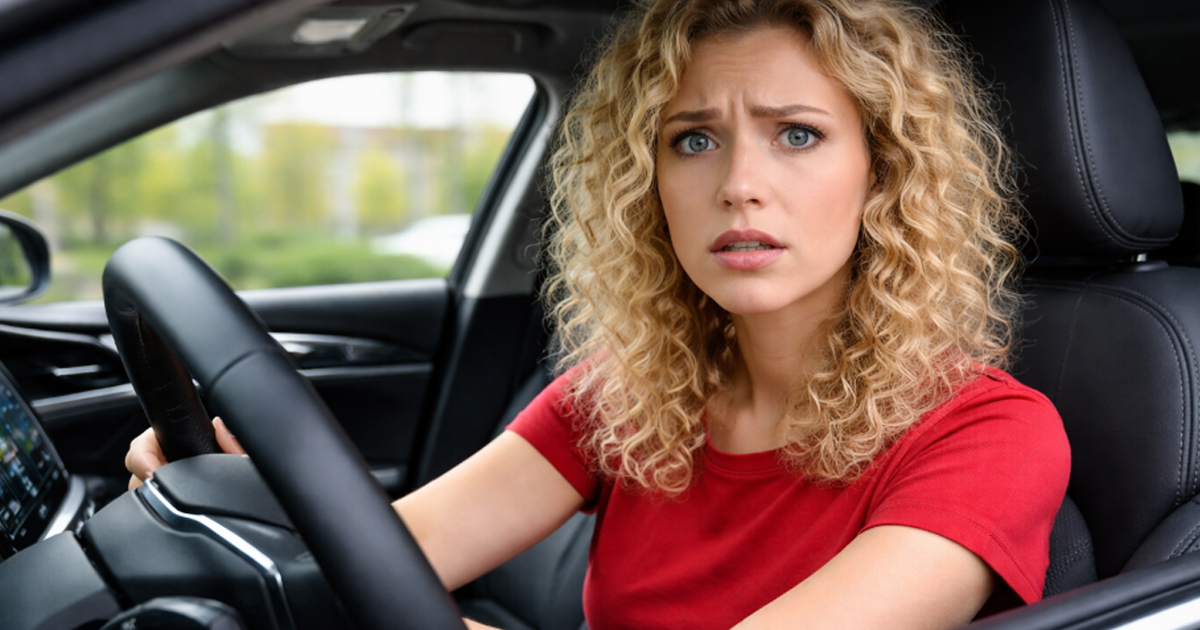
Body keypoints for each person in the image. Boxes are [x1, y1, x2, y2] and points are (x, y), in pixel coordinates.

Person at [126, 0, 1071, 628]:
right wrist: (250, 502)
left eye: (797, 134)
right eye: (693, 140)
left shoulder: (992, 437)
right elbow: (389, 558)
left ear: (884, 174)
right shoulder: (628, 393)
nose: (739, 183)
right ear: (648, 184)